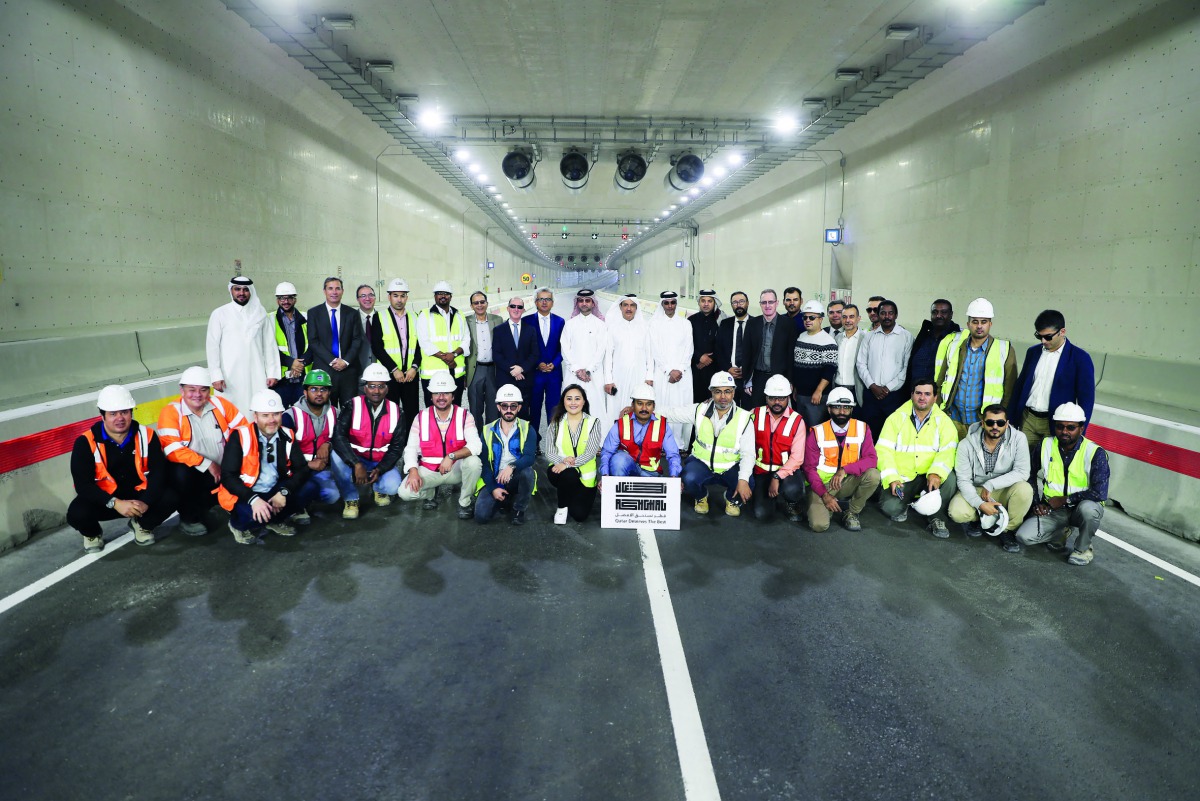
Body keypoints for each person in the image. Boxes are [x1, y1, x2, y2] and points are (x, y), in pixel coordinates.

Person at [68, 385, 174, 553]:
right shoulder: (85, 442)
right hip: (107, 500)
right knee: (77, 513)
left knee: (172, 495)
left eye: (124, 412)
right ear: (102, 415)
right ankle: (93, 534)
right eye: (113, 414)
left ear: (131, 412)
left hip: (139, 497)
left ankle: (142, 525)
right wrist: (115, 503)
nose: (120, 418)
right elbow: (82, 485)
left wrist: (146, 501)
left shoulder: (147, 435)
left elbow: (158, 474)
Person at [1014, 402, 1108, 566]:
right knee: (1023, 536)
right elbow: (1029, 473)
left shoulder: (1095, 453)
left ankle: (1082, 549)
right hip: (1054, 509)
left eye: (1070, 427)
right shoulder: (1045, 445)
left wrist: (1065, 499)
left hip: (1081, 509)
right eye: (1060, 427)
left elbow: (1099, 492)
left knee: (1089, 510)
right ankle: (1061, 531)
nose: (1064, 432)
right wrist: (1037, 503)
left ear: (1081, 428)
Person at [218, 389, 317, 545]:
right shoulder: (240, 436)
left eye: (276, 414)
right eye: (265, 415)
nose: (272, 420)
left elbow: (302, 469)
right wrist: (253, 499)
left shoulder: (287, 434)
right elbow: (228, 476)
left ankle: (276, 519)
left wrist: (283, 492)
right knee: (253, 517)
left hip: (274, 489)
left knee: (310, 487)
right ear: (255, 417)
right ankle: (237, 525)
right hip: (246, 493)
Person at [157, 366, 245, 536]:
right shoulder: (171, 412)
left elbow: (243, 432)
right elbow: (171, 448)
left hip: (225, 469)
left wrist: (231, 464)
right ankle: (189, 517)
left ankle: (220, 501)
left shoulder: (221, 404)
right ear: (182, 390)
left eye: (203, 390)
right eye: (191, 390)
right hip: (196, 473)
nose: (197, 394)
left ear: (209, 391)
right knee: (179, 473)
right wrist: (207, 464)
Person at [656, 372, 755, 516]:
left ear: (733, 392)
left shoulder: (744, 418)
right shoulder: (699, 410)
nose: (723, 396)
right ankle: (701, 496)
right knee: (688, 478)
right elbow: (671, 413)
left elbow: (748, 454)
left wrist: (743, 480)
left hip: (730, 466)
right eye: (718, 392)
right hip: (702, 463)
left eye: (727, 391)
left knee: (749, 482)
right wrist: (640, 408)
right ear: (711, 392)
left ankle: (730, 498)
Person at [1008, 309, 1096, 471]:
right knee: (1023, 466)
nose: (1043, 340)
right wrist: (1011, 418)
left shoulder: (1080, 358)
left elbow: (1086, 399)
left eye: (1048, 337)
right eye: (1039, 336)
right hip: (1028, 419)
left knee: (1053, 468)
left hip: (1056, 424)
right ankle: (1027, 495)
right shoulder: (1033, 352)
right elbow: (1020, 385)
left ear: (1062, 332)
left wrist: (1079, 432)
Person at [876, 379, 959, 538]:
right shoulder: (895, 418)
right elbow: (883, 451)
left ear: (935, 398)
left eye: (927, 394)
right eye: (918, 393)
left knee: (951, 479)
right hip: (903, 477)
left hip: (930, 477)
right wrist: (892, 478)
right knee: (890, 508)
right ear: (912, 395)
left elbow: (948, 452)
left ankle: (936, 516)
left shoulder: (945, 423)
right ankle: (908, 503)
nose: (922, 397)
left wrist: (936, 473)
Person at [396, 370, 483, 518]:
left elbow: (476, 445)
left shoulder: (464, 416)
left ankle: (465, 502)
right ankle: (430, 492)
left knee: (474, 463)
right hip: (429, 470)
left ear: (453, 396)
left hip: (456, 469)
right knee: (404, 493)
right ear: (431, 396)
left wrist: (451, 456)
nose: (441, 397)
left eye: (445, 393)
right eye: (437, 393)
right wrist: (413, 471)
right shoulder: (421, 417)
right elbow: (411, 448)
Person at [948, 405, 1032, 550]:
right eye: (990, 422)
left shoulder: (1019, 439)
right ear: (982, 423)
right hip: (976, 489)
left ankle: (1007, 530)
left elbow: (1023, 472)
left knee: (1025, 490)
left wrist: (991, 484)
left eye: (1000, 423)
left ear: (1007, 424)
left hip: (1003, 488)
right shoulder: (966, 444)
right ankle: (982, 518)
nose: (995, 426)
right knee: (956, 512)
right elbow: (963, 480)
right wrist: (979, 504)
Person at [330, 363, 407, 519]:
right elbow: (338, 436)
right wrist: (356, 463)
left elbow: (397, 447)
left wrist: (381, 469)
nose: (376, 391)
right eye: (372, 386)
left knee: (393, 487)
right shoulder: (352, 406)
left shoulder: (396, 411)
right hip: (355, 458)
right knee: (336, 457)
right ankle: (351, 499)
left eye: (381, 386)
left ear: (387, 388)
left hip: (379, 461)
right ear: (365, 388)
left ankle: (378, 487)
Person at [934, 298, 1018, 439]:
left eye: (984, 322)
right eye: (975, 321)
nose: (979, 326)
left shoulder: (1005, 350)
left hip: (983, 422)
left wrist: (997, 419)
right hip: (953, 419)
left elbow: (1010, 390)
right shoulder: (954, 346)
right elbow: (940, 380)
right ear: (968, 324)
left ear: (990, 324)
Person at [803, 387, 882, 532]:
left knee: (873, 474)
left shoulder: (862, 428)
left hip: (846, 481)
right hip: (822, 485)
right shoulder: (817, 432)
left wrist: (844, 470)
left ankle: (851, 512)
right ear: (829, 409)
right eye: (837, 407)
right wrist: (825, 495)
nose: (842, 411)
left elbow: (872, 459)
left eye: (846, 407)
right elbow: (809, 469)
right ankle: (826, 504)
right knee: (819, 525)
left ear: (851, 409)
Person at [206, 275, 278, 414]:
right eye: (237, 289)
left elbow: (269, 345)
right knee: (229, 411)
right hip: (229, 376)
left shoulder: (260, 312)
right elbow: (212, 347)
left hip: (256, 374)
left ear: (251, 291)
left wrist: (272, 373)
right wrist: (215, 376)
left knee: (256, 409)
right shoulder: (220, 314)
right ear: (231, 291)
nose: (241, 293)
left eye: (245, 289)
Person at [475, 384, 539, 525]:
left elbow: (529, 457)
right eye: (504, 406)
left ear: (519, 407)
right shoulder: (486, 431)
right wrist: (493, 488)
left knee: (528, 473)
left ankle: (519, 509)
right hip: (495, 477)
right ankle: (504, 498)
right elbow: (484, 463)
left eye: (513, 406)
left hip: (515, 476)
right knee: (481, 517)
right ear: (498, 407)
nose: (509, 410)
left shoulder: (527, 428)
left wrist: (511, 467)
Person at [283, 369, 341, 516]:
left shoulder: (335, 413)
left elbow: (341, 438)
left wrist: (328, 444)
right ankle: (297, 506)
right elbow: (282, 451)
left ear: (329, 392)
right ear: (305, 392)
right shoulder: (290, 416)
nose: (319, 393)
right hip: (294, 471)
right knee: (299, 490)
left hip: (320, 469)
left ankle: (306, 498)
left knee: (332, 495)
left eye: (323, 389)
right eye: (313, 389)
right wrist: (307, 464)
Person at [750, 375, 807, 522]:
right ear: (766, 397)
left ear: (788, 397)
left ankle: (791, 502)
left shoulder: (797, 421)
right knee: (762, 515)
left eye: (781, 398)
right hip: (761, 472)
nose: (776, 402)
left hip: (787, 472)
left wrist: (777, 477)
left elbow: (797, 458)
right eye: (772, 398)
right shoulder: (754, 414)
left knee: (793, 490)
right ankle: (767, 498)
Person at [544, 385, 603, 524]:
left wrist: (568, 464)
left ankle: (571, 495)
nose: (573, 402)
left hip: (585, 478)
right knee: (569, 474)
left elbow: (590, 452)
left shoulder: (594, 422)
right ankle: (562, 508)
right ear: (563, 401)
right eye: (569, 399)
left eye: (577, 399)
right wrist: (562, 462)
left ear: (584, 402)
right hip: (561, 472)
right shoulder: (556, 423)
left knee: (579, 515)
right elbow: (549, 451)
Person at [856, 299, 913, 439]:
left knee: (892, 435)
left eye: (890, 313)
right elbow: (860, 363)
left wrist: (888, 388)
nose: (887, 316)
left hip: (894, 396)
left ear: (896, 315)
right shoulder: (869, 336)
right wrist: (872, 386)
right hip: (871, 395)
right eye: (883, 313)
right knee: (870, 434)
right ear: (878, 315)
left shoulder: (906, 337)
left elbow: (907, 367)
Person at [600, 383, 682, 479]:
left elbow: (673, 455)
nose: (644, 408)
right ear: (633, 405)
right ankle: (620, 491)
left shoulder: (662, 425)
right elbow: (607, 452)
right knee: (618, 460)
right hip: (627, 471)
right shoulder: (621, 424)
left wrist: (674, 477)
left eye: (648, 404)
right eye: (639, 404)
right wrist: (605, 476)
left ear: (654, 406)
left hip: (651, 474)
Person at [560, 288, 612, 436]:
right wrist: (577, 369)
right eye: (581, 301)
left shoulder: (601, 325)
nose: (584, 303)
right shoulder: (569, 324)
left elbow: (601, 351)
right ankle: (572, 441)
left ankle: (598, 441)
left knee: (595, 406)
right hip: (573, 375)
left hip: (594, 375)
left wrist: (588, 369)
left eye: (587, 300)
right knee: (571, 406)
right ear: (577, 303)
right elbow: (565, 349)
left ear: (593, 303)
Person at [306, 276, 363, 406]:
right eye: (330, 288)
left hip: (348, 372)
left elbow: (357, 340)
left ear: (342, 291)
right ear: (324, 291)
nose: (334, 292)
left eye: (338, 288)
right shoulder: (314, 313)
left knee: (349, 411)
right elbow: (313, 341)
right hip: (325, 371)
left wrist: (345, 361)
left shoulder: (352, 313)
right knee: (326, 412)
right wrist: (333, 361)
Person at [370, 278, 422, 417]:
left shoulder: (415, 317)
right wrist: (394, 369)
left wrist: (414, 367)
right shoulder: (379, 317)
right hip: (389, 375)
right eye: (395, 295)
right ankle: (392, 440)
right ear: (389, 297)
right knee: (390, 414)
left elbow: (420, 346)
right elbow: (377, 347)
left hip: (410, 375)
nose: (399, 299)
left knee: (412, 413)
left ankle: (410, 439)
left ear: (407, 297)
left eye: (402, 295)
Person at [648, 291, 694, 445]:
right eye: (666, 303)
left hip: (683, 374)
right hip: (663, 374)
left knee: (681, 406)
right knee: (663, 406)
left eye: (672, 302)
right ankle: (662, 442)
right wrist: (669, 370)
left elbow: (689, 349)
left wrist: (679, 370)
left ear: (676, 304)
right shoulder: (654, 324)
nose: (669, 306)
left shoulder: (685, 323)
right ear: (662, 304)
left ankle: (680, 443)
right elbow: (655, 350)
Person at [417, 280, 470, 407]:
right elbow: (424, 342)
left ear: (451, 296)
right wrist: (446, 358)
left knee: (455, 407)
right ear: (435, 296)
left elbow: (466, 339)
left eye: (446, 293)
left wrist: (454, 354)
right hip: (432, 375)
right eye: (439, 293)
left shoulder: (459, 315)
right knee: (432, 410)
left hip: (455, 373)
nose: (443, 296)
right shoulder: (425, 315)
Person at [743, 289, 797, 409]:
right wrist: (747, 380)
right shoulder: (752, 324)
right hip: (758, 379)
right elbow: (747, 353)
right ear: (760, 304)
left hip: (780, 378)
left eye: (770, 302)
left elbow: (790, 355)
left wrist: (790, 381)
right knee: (757, 414)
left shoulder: (788, 324)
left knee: (779, 414)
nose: (767, 306)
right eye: (764, 302)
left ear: (777, 303)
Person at [790, 300, 838, 427]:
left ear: (821, 319)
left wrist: (819, 390)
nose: (807, 320)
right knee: (800, 429)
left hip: (817, 397)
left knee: (815, 431)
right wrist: (796, 387)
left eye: (812, 317)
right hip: (800, 395)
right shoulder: (801, 337)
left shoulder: (828, 341)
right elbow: (797, 366)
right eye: (805, 317)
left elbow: (830, 370)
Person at [492, 296, 538, 422]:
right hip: (505, 378)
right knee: (504, 414)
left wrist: (521, 368)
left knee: (523, 413)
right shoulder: (498, 330)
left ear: (523, 310)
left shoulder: (530, 330)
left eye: (519, 307)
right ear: (508, 308)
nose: (516, 309)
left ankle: (523, 440)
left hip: (525, 379)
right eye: (513, 306)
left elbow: (534, 354)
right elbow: (497, 355)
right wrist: (513, 370)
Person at [605, 294, 653, 414]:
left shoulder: (644, 328)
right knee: (616, 410)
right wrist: (608, 380)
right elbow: (608, 357)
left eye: (632, 305)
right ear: (620, 307)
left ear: (636, 308)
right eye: (625, 305)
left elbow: (650, 354)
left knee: (638, 410)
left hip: (639, 377)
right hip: (618, 377)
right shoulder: (612, 328)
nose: (629, 308)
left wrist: (649, 377)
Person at [528, 287, 566, 430]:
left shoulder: (560, 321)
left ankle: (553, 442)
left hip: (554, 375)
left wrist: (554, 364)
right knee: (534, 410)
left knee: (554, 410)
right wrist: (537, 364)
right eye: (541, 299)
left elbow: (564, 348)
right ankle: (534, 442)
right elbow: (525, 348)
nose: (544, 302)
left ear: (552, 302)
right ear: (535, 302)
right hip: (534, 374)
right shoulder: (527, 321)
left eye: (548, 299)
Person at [465, 291, 504, 430]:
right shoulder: (466, 322)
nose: (480, 305)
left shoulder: (498, 320)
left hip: (493, 369)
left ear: (487, 303)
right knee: (475, 407)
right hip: (475, 370)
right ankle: (477, 438)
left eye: (482, 302)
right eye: (476, 303)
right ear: (471, 305)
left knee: (494, 408)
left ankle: (491, 437)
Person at [907, 299, 959, 393]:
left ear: (951, 315)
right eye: (935, 312)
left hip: (939, 395)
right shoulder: (923, 336)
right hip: (915, 393)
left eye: (943, 312)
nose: (938, 316)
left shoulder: (956, 339)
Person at [272, 281, 308, 408]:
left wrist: (300, 365)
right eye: (282, 298)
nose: (285, 301)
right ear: (277, 300)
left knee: (301, 416)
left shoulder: (306, 318)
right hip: (281, 380)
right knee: (280, 416)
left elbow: (313, 344)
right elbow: (269, 350)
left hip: (302, 378)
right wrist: (290, 362)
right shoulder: (270, 320)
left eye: (289, 298)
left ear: (295, 300)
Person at [714, 291, 752, 408]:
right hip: (729, 377)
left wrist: (747, 369)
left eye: (741, 301)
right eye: (735, 302)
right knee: (729, 410)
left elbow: (758, 352)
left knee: (748, 412)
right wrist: (728, 368)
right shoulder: (725, 324)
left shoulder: (756, 323)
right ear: (731, 305)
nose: (738, 305)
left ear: (747, 303)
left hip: (749, 379)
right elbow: (718, 350)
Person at [689, 289, 724, 402]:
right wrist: (699, 357)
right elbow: (687, 344)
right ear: (699, 303)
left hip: (715, 368)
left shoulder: (721, 320)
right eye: (703, 301)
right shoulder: (691, 321)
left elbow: (723, 344)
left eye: (709, 301)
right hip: (696, 367)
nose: (706, 304)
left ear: (714, 303)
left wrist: (709, 359)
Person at [833, 303, 866, 404]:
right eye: (844, 317)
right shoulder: (836, 338)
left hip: (856, 391)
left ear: (858, 318)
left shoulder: (865, 339)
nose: (848, 320)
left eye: (851, 317)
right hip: (837, 388)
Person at [354, 284, 379, 372]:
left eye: (371, 295)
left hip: (380, 372)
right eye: (363, 296)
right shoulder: (350, 319)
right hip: (357, 372)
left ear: (375, 298)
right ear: (358, 299)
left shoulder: (383, 318)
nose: (367, 299)